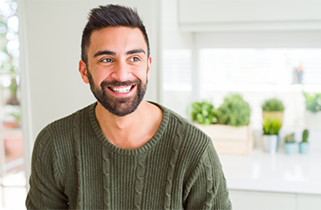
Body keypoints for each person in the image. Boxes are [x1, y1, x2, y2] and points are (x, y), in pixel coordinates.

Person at [25, 4, 232, 209]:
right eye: (107, 59)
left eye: (134, 58)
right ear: (84, 71)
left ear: (148, 67)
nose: (122, 75)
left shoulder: (195, 149)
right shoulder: (53, 145)